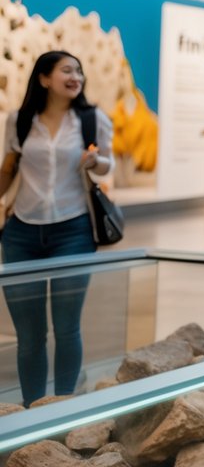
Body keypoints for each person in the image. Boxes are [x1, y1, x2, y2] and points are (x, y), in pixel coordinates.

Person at [0, 51, 112, 405]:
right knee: (30, 336)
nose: (75, 76)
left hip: (73, 232)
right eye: (67, 70)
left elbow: (106, 165)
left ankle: (63, 409)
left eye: (79, 70)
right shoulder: (19, 120)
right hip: (21, 233)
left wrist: (96, 160)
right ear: (45, 78)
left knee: (67, 329)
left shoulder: (92, 120)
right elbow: (8, 169)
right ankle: (35, 409)